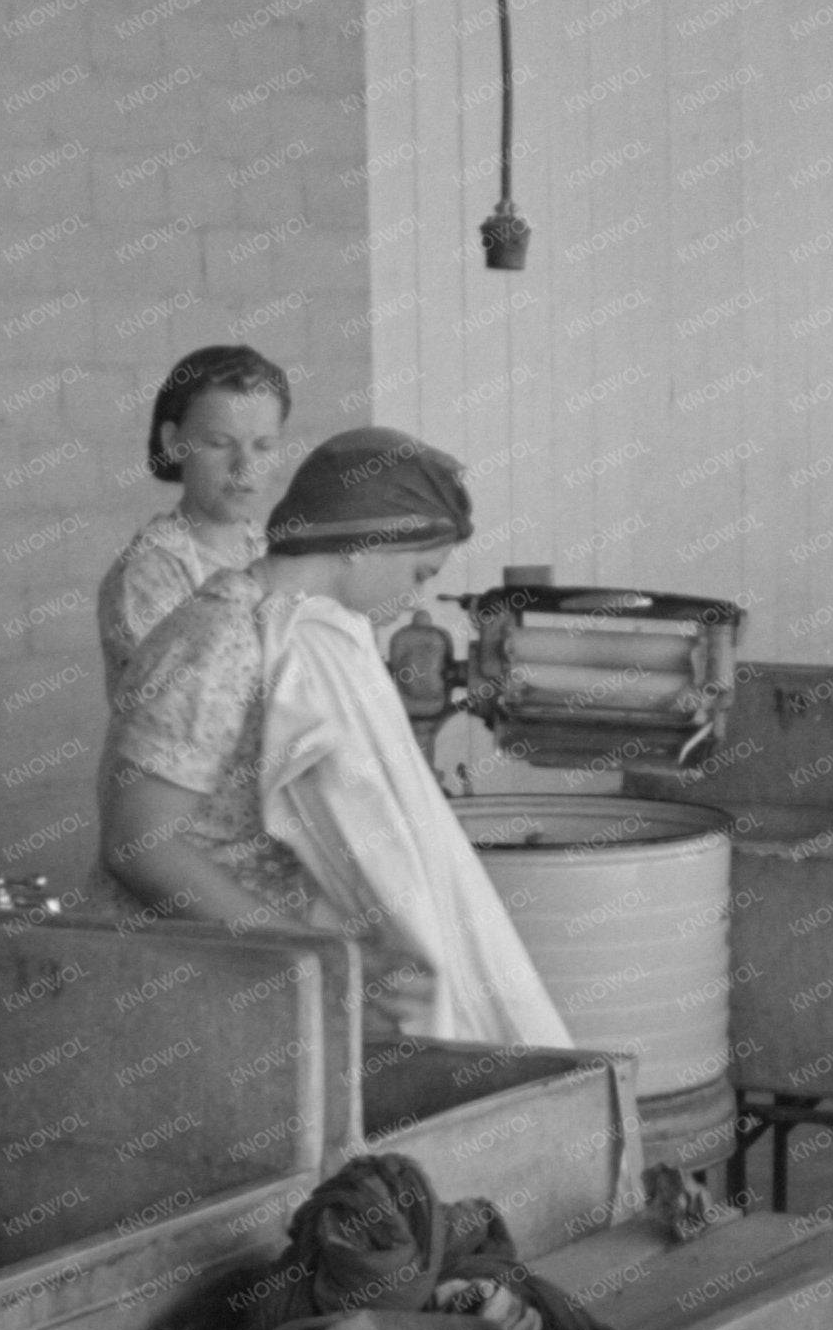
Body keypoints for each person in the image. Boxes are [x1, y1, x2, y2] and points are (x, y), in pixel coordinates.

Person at [98, 427, 568, 1046]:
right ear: (372, 538)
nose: (413, 599)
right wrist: (320, 951)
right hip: (183, 987)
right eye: (419, 572)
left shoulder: (301, 637)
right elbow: (139, 845)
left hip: (262, 979)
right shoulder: (220, 639)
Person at [99, 343, 293, 698]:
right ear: (174, 443)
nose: (245, 466)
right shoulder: (149, 573)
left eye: (264, 446)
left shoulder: (270, 550)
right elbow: (184, 707)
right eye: (220, 443)